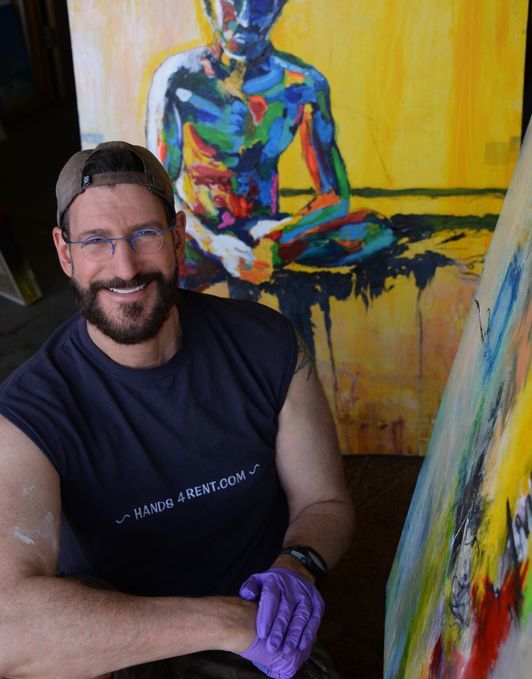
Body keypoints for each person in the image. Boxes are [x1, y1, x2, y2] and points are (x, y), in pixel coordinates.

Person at [0, 141, 354, 678]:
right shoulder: (29, 411)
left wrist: (296, 568)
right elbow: (9, 628)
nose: (125, 267)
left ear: (178, 236)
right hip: (113, 645)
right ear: (65, 253)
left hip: (259, 638)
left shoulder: (267, 345)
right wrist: (226, 623)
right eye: (96, 241)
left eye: (145, 234)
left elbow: (324, 500)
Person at [146, 0, 394, 286]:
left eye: (261, 3)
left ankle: (266, 257)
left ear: (279, 6)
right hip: (199, 236)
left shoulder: (303, 85)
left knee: (375, 231)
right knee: (158, 256)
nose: (245, 18)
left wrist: (279, 237)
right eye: (232, 1)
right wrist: (216, 244)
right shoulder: (177, 78)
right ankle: (238, 260)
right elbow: (160, 190)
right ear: (207, 4)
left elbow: (334, 196)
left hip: (268, 232)